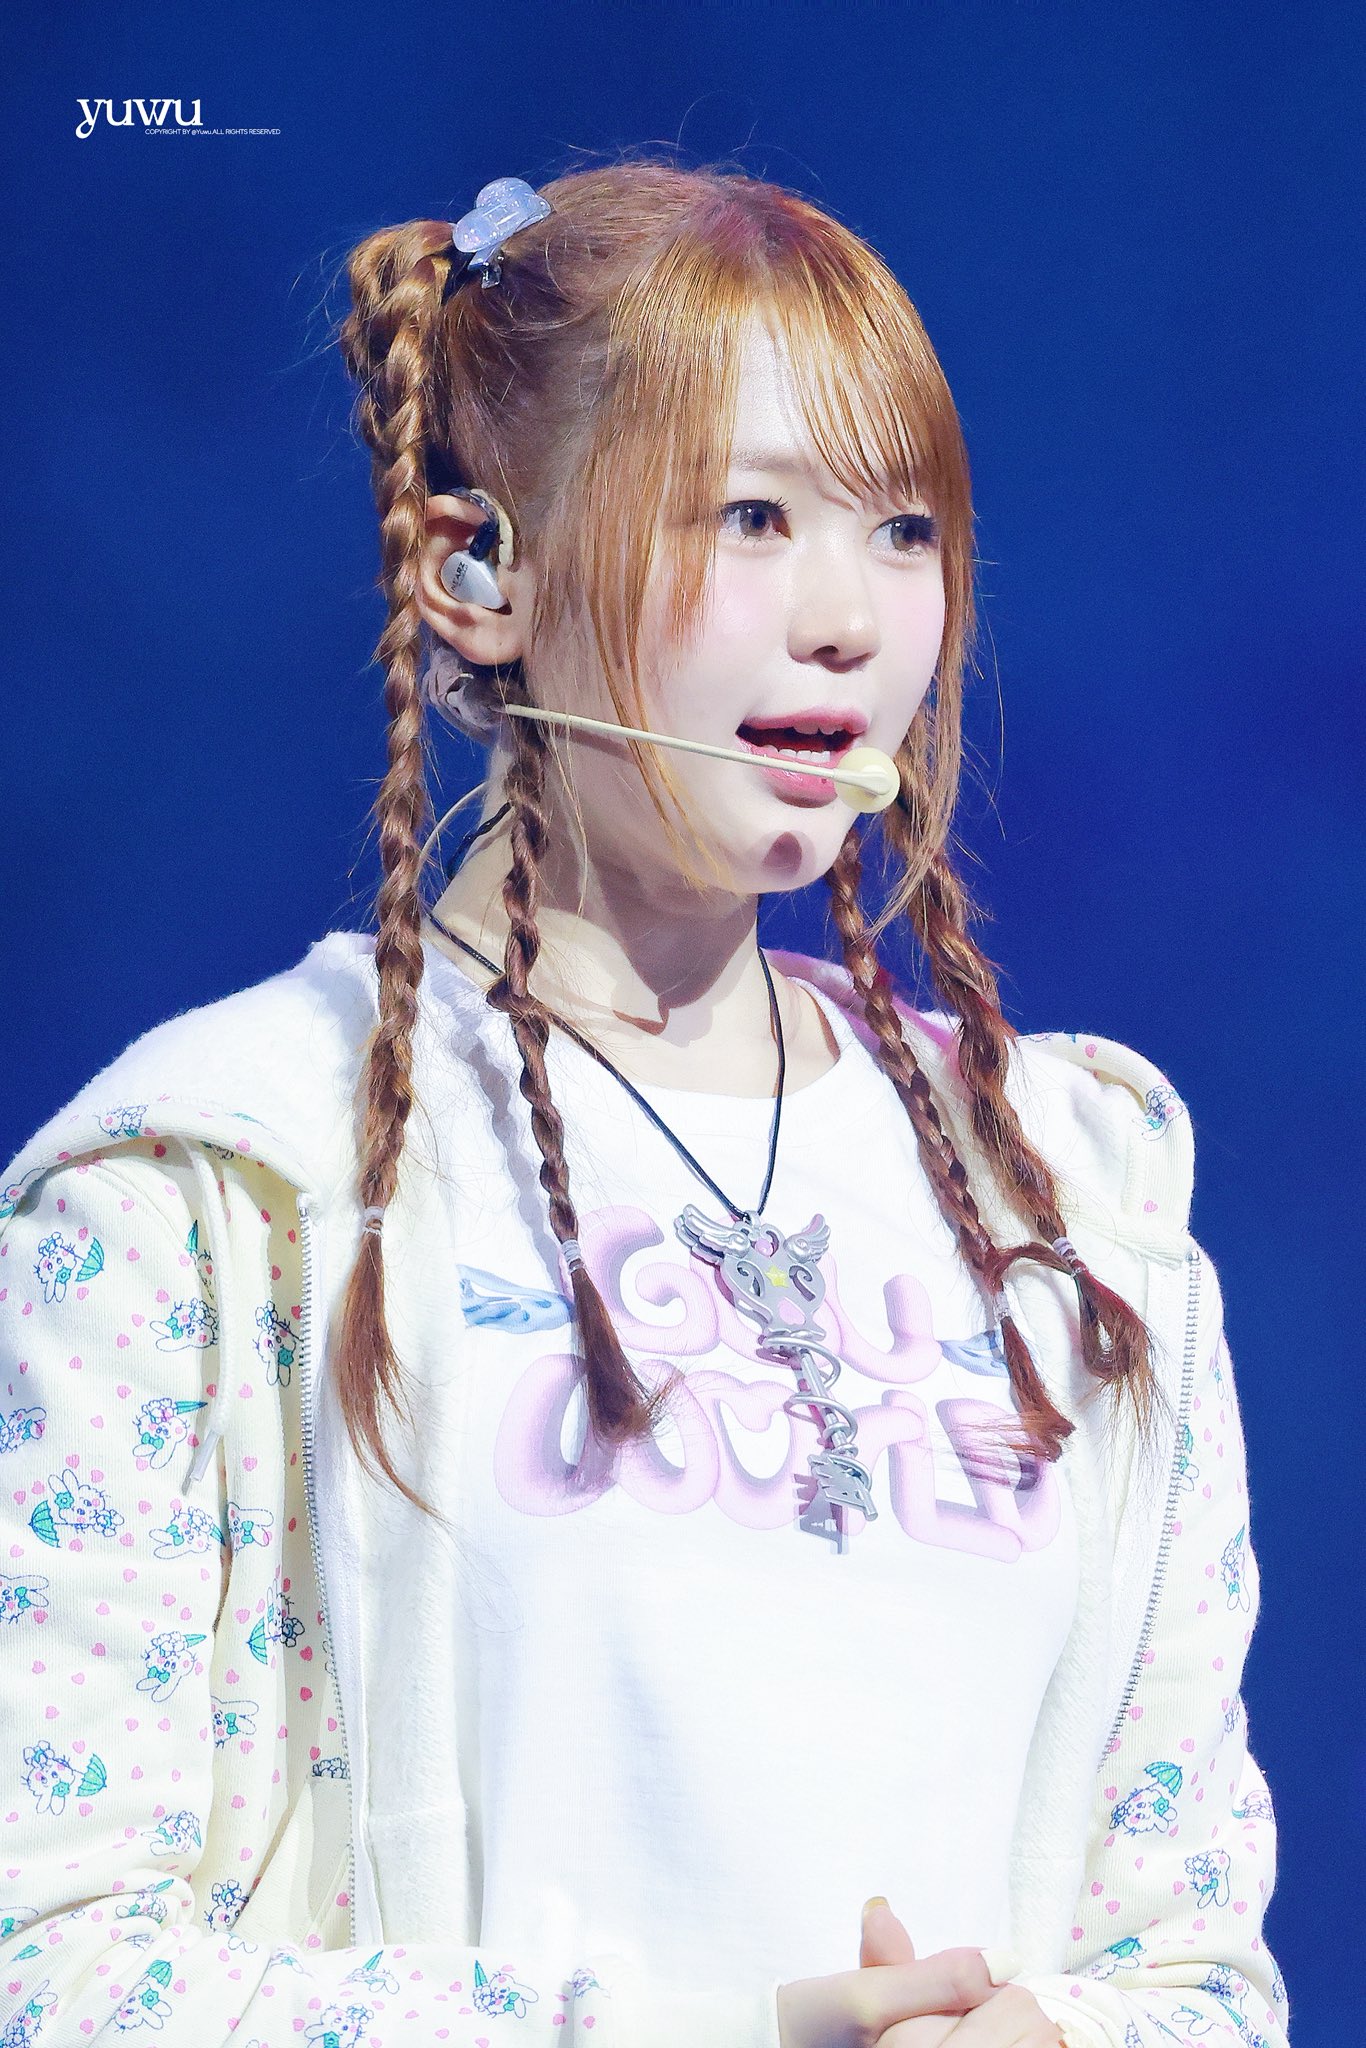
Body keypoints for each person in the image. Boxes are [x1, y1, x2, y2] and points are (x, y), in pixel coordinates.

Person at [0, 157, 1287, 2048]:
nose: (846, 619)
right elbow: (49, 1965)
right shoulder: (214, 1183)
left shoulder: (1077, 1203)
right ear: (476, 570)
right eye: (752, 516)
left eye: (902, 528)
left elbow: (1197, 1973)